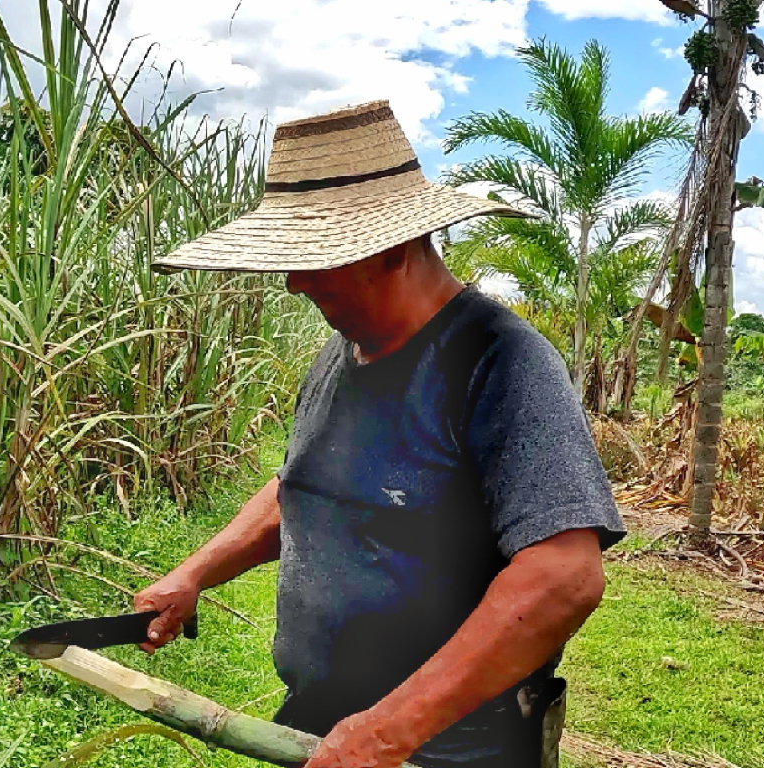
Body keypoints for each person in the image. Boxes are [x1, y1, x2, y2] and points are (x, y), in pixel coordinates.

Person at [137, 100, 625, 767]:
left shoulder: (500, 361)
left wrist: (390, 731)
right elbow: (301, 487)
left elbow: (564, 576)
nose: (292, 283)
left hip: (444, 751)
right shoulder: (338, 354)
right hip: (324, 734)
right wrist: (194, 575)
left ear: (393, 248)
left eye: (316, 258)